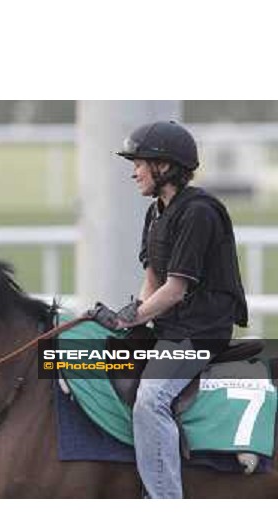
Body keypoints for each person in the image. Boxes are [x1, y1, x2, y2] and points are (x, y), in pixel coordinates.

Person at [113, 120, 248, 498]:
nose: (134, 171)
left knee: (150, 401)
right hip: (171, 330)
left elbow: (174, 289)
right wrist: (132, 316)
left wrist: (132, 317)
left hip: (201, 334)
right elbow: (154, 280)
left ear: (165, 167)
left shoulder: (199, 213)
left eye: (139, 162)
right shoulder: (156, 212)